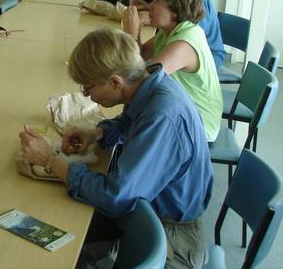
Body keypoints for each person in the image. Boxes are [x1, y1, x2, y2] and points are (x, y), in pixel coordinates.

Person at [19, 28, 213, 269]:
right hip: (146, 213)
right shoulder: (149, 86)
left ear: (115, 82)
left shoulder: (163, 116)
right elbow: (130, 122)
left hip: (169, 238)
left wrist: (51, 160)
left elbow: (116, 197)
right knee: (50, 220)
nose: (88, 96)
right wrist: (98, 133)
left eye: (88, 88)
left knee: (49, 249)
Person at [123, 0, 222, 142]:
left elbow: (141, 81)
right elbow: (140, 56)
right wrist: (137, 32)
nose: (150, 6)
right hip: (181, 110)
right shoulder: (169, 31)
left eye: (157, 1)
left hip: (199, 124)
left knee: (131, 121)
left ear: (175, 11)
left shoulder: (184, 43)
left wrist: (131, 35)